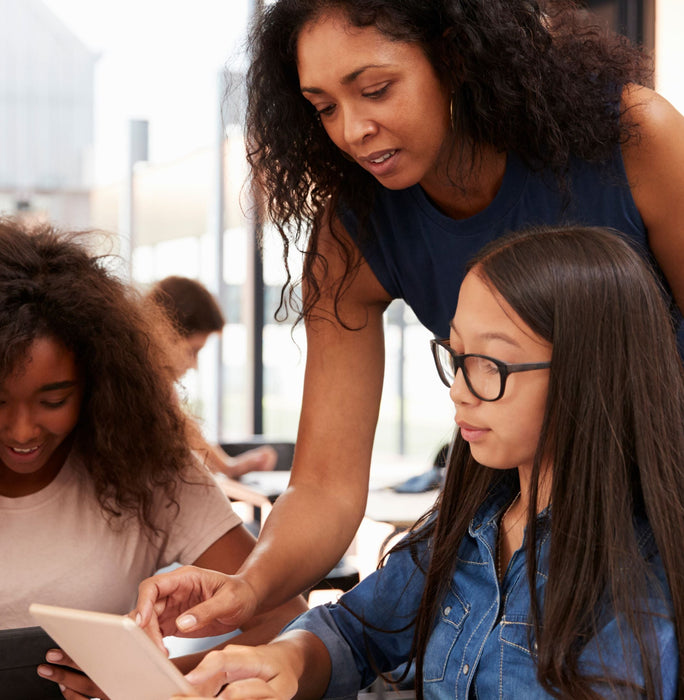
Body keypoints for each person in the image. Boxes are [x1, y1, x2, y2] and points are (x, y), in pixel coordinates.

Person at [134, 0, 684, 639]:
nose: (352, 130)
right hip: (531, 534)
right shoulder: (353, 233)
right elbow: (325, 487)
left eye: (375, 89)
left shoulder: (635, 135)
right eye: (325, 107)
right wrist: (250, 587)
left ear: (454, 57)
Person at [167, 226, 684, 699]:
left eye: (490, 364)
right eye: (457, 356)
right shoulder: (464, 528)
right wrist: (285, 661)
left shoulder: (640, 576)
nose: (459, 391)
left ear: (590, 372)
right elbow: (356, 630)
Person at [0, 218, 306, 698]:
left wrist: (156, 680)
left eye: (53, 401)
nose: (23, 430)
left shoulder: (148, 470)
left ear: (97, 384)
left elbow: (288, 617)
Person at [148, 275, 278, 479]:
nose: (194, 365)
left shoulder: (161, 390)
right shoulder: (144, 387)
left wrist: (230, 467)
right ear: (163, 333)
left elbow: (185, 428)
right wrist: (229, 467)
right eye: (193, 351)